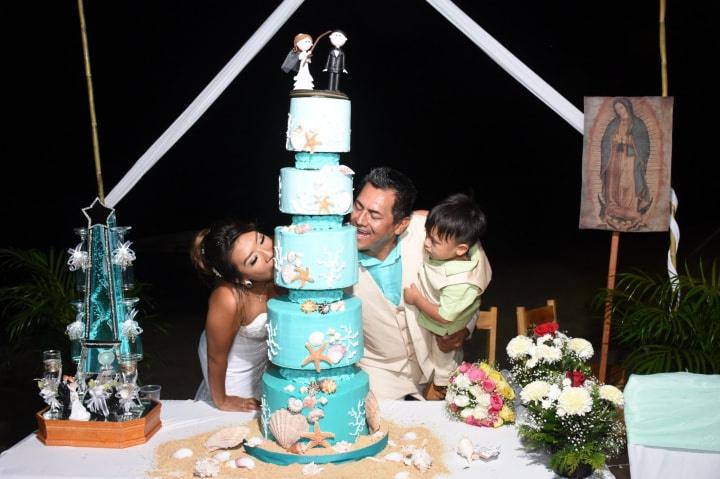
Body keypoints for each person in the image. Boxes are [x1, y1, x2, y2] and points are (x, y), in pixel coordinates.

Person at [349, 167, 492, 400]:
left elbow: (469, 283)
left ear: (401, 224)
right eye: (358, 206)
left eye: (374, 215)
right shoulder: (334, 258)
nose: (360, 220)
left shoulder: (431, 231)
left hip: (442, 372)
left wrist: (464, 328)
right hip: (379, 382)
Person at [403, 193, 491, 399]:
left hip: (446, 329)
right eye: (427, 235)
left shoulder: (462, 280)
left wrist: (416, 299)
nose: (426, 244)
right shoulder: (453, 238)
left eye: (434, 242)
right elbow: (430, 219)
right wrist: (417, 215)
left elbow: (445, 315)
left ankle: (442, 387)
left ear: (461, 250)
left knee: (444, 360)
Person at [190, 219, 281, 411]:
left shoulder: (275, 255)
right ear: (240, 278)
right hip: (232, 368)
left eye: (262, 239)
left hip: (262, 360)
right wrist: (222, 400)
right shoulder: (227, 298)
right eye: (253, 260)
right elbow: (216, 358)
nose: (269, 254)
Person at [599, 97, 651, 230]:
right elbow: (605, 141)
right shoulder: (613, 124)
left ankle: (629, 210)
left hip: (630, 159)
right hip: (615, 158)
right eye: (617, 109)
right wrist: (613, 140)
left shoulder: (638, 123)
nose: (619, 111)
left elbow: (644, 143)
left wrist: (629, 140)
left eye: (621, 107)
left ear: (627, 107)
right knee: (614, 182)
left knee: (629, 183)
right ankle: (613, 208)